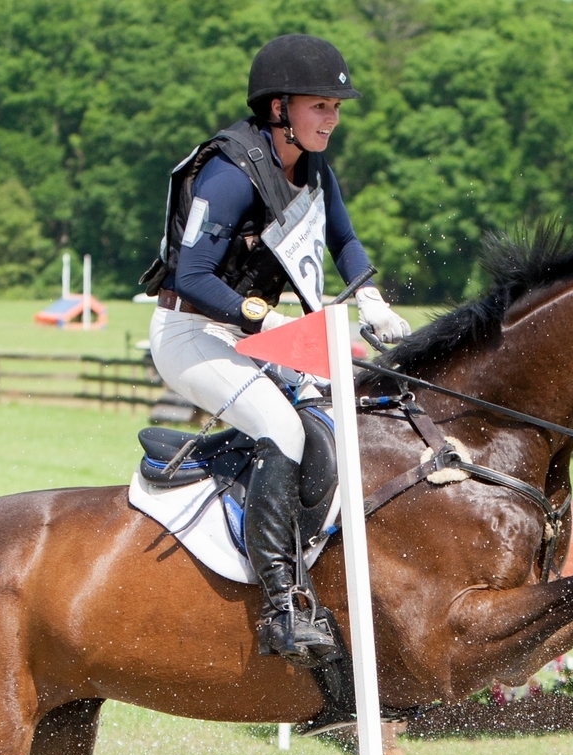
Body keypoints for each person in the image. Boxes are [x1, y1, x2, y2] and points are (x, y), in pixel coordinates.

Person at [144, 33, 413, 665]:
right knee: (284, 431)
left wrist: (370, 298)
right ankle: (282, 606)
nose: (332, 118)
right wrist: (268, 317)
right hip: (190, 333)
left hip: (254, 335)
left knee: (346, 413)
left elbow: (344, 242)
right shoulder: (229, 173)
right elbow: (192, 276)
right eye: (320, 106)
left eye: (335, 107)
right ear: (278, 108)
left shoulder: (314, 169)